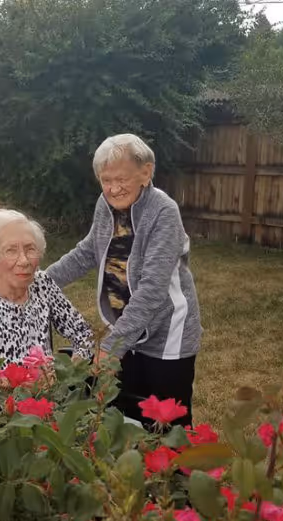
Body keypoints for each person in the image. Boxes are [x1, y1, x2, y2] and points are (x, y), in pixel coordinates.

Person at [47, 133, 201, 427]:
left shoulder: (163, 212)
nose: (114, 188)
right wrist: (40, 282)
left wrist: (111, 346)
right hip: (126, 331)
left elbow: (152, 289)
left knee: (168, 424)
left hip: (166, 336)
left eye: (122, 179)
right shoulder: (105, 206)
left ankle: (177, 472)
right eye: (106, 180)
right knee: (128, 415)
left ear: (146, 172)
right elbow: (87, 252)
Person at [0, 209, 94, 365]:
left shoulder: (42, 285)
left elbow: (84, 334)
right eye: (11, 250)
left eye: (30, 249)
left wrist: (68, 371)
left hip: (45, 388)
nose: (24, 261)